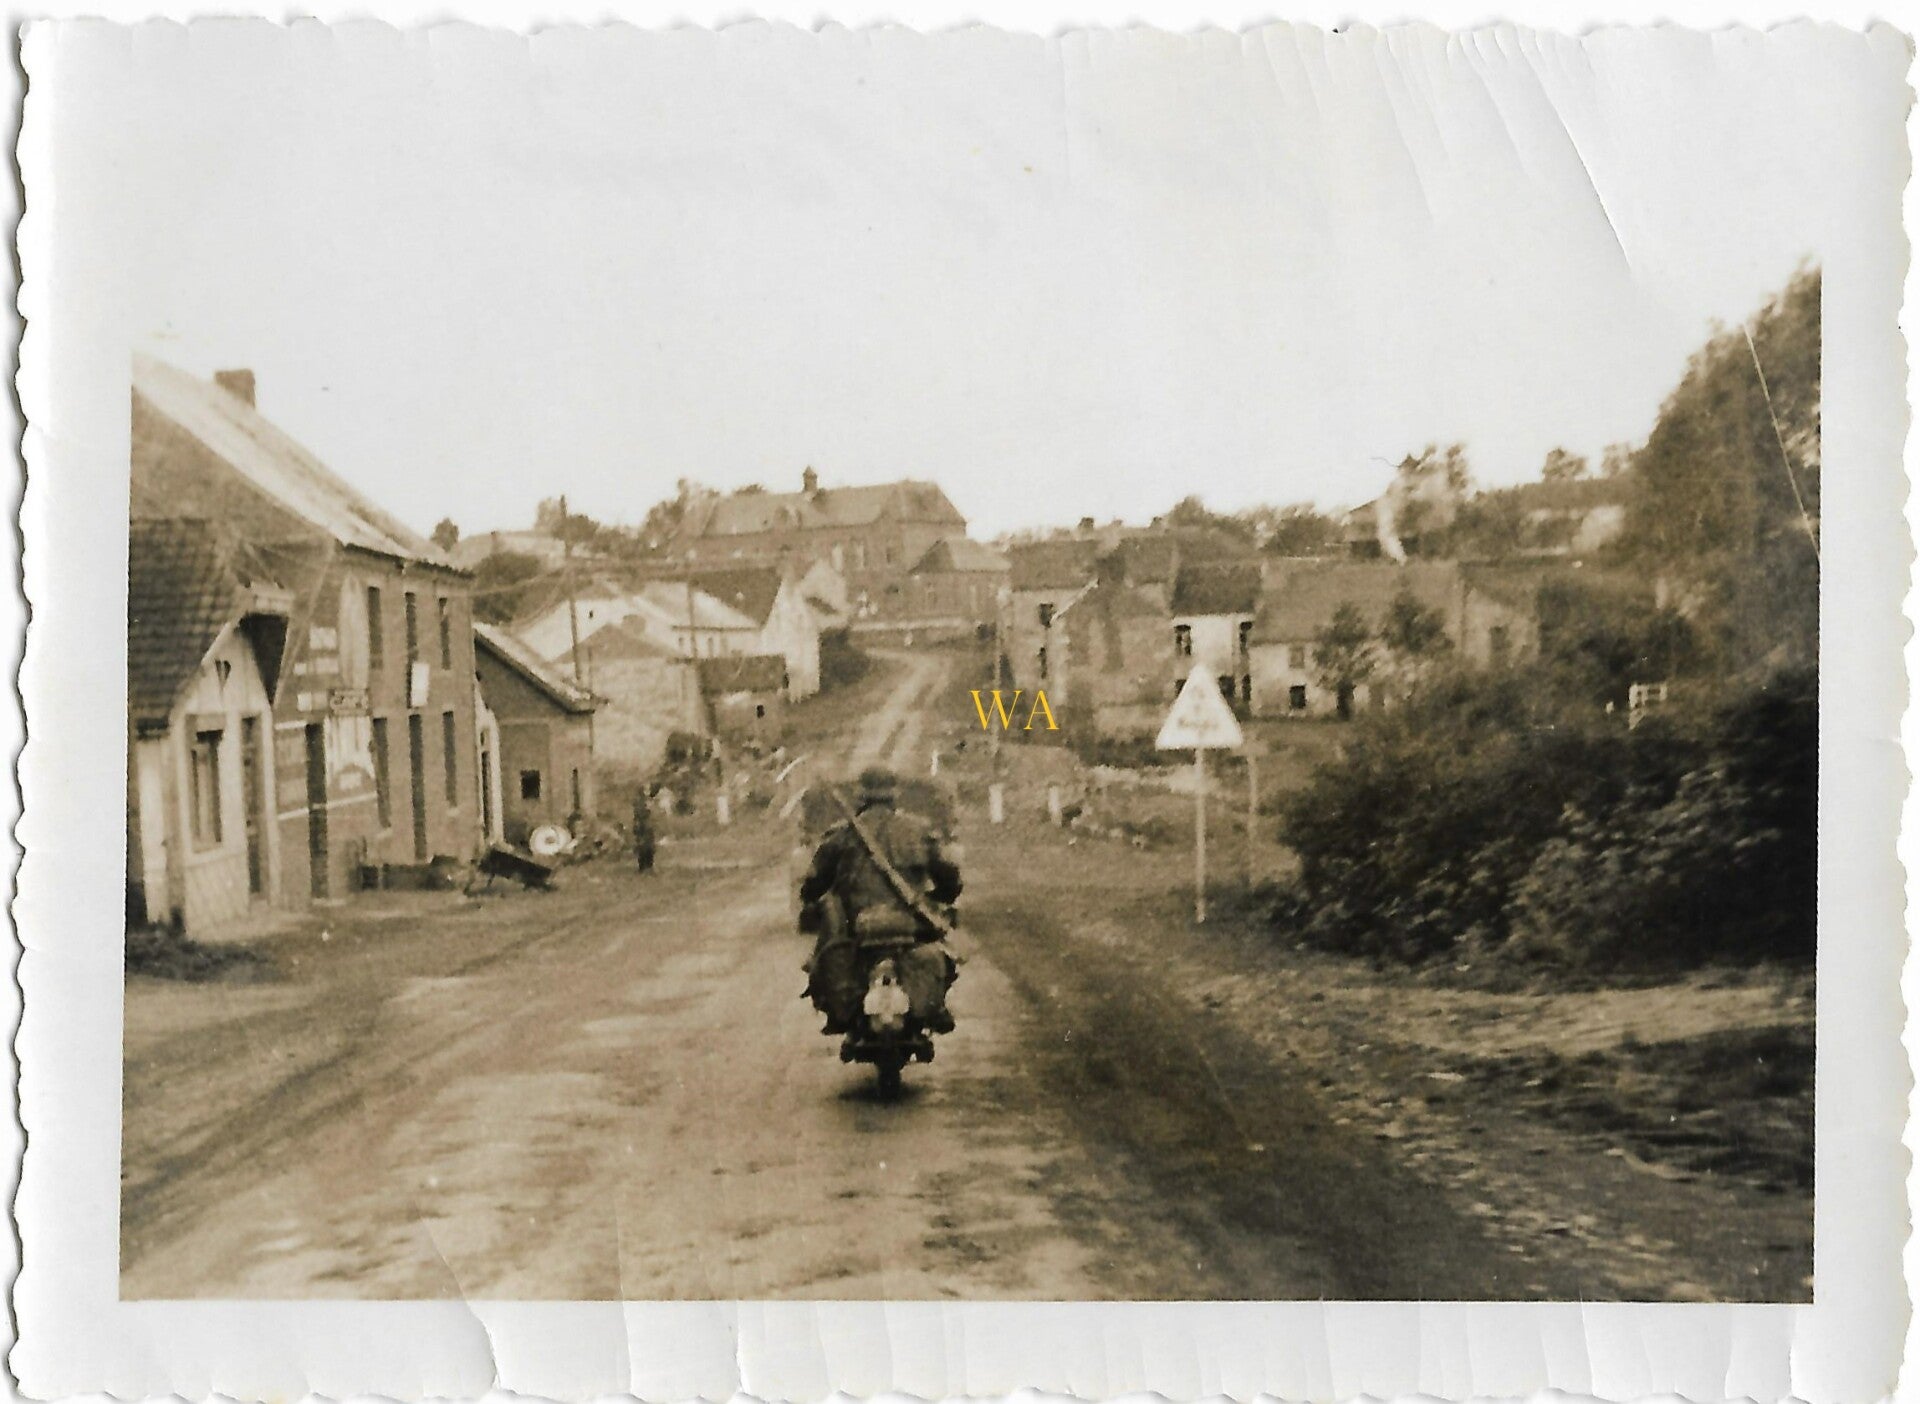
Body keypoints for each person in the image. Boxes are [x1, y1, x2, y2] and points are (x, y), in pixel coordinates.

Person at [799, 766, 961, 1035]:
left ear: (861, 796)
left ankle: (840, 1015)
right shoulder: (918, 831)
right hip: (909, 921)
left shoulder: (840, 836)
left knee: (822, 958)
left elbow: (814, 881)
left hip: (856, 924)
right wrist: (939, 897)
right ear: (894, 795)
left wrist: (812, 897)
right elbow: (948, 876)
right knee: (943, 952)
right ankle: (936, 1008)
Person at [631, 788, 655, 874]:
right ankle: (644, 867)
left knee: (646, 846)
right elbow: (638, 814)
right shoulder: (640, 803)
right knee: (643, 846)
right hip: (643, 825)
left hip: (645, 826)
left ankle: (646, 866)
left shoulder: (644, 802)